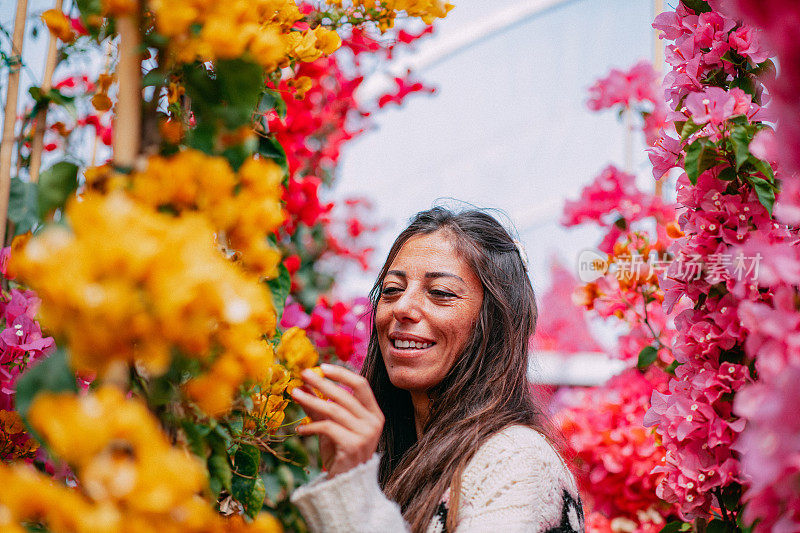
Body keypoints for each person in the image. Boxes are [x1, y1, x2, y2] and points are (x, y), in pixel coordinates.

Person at [288, 207, 585, 532]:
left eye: (440, 293)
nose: (401, 307)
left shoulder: (518, 463)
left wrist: (351, 494)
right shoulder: (393, 458)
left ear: (494, 323)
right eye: (391, 290)